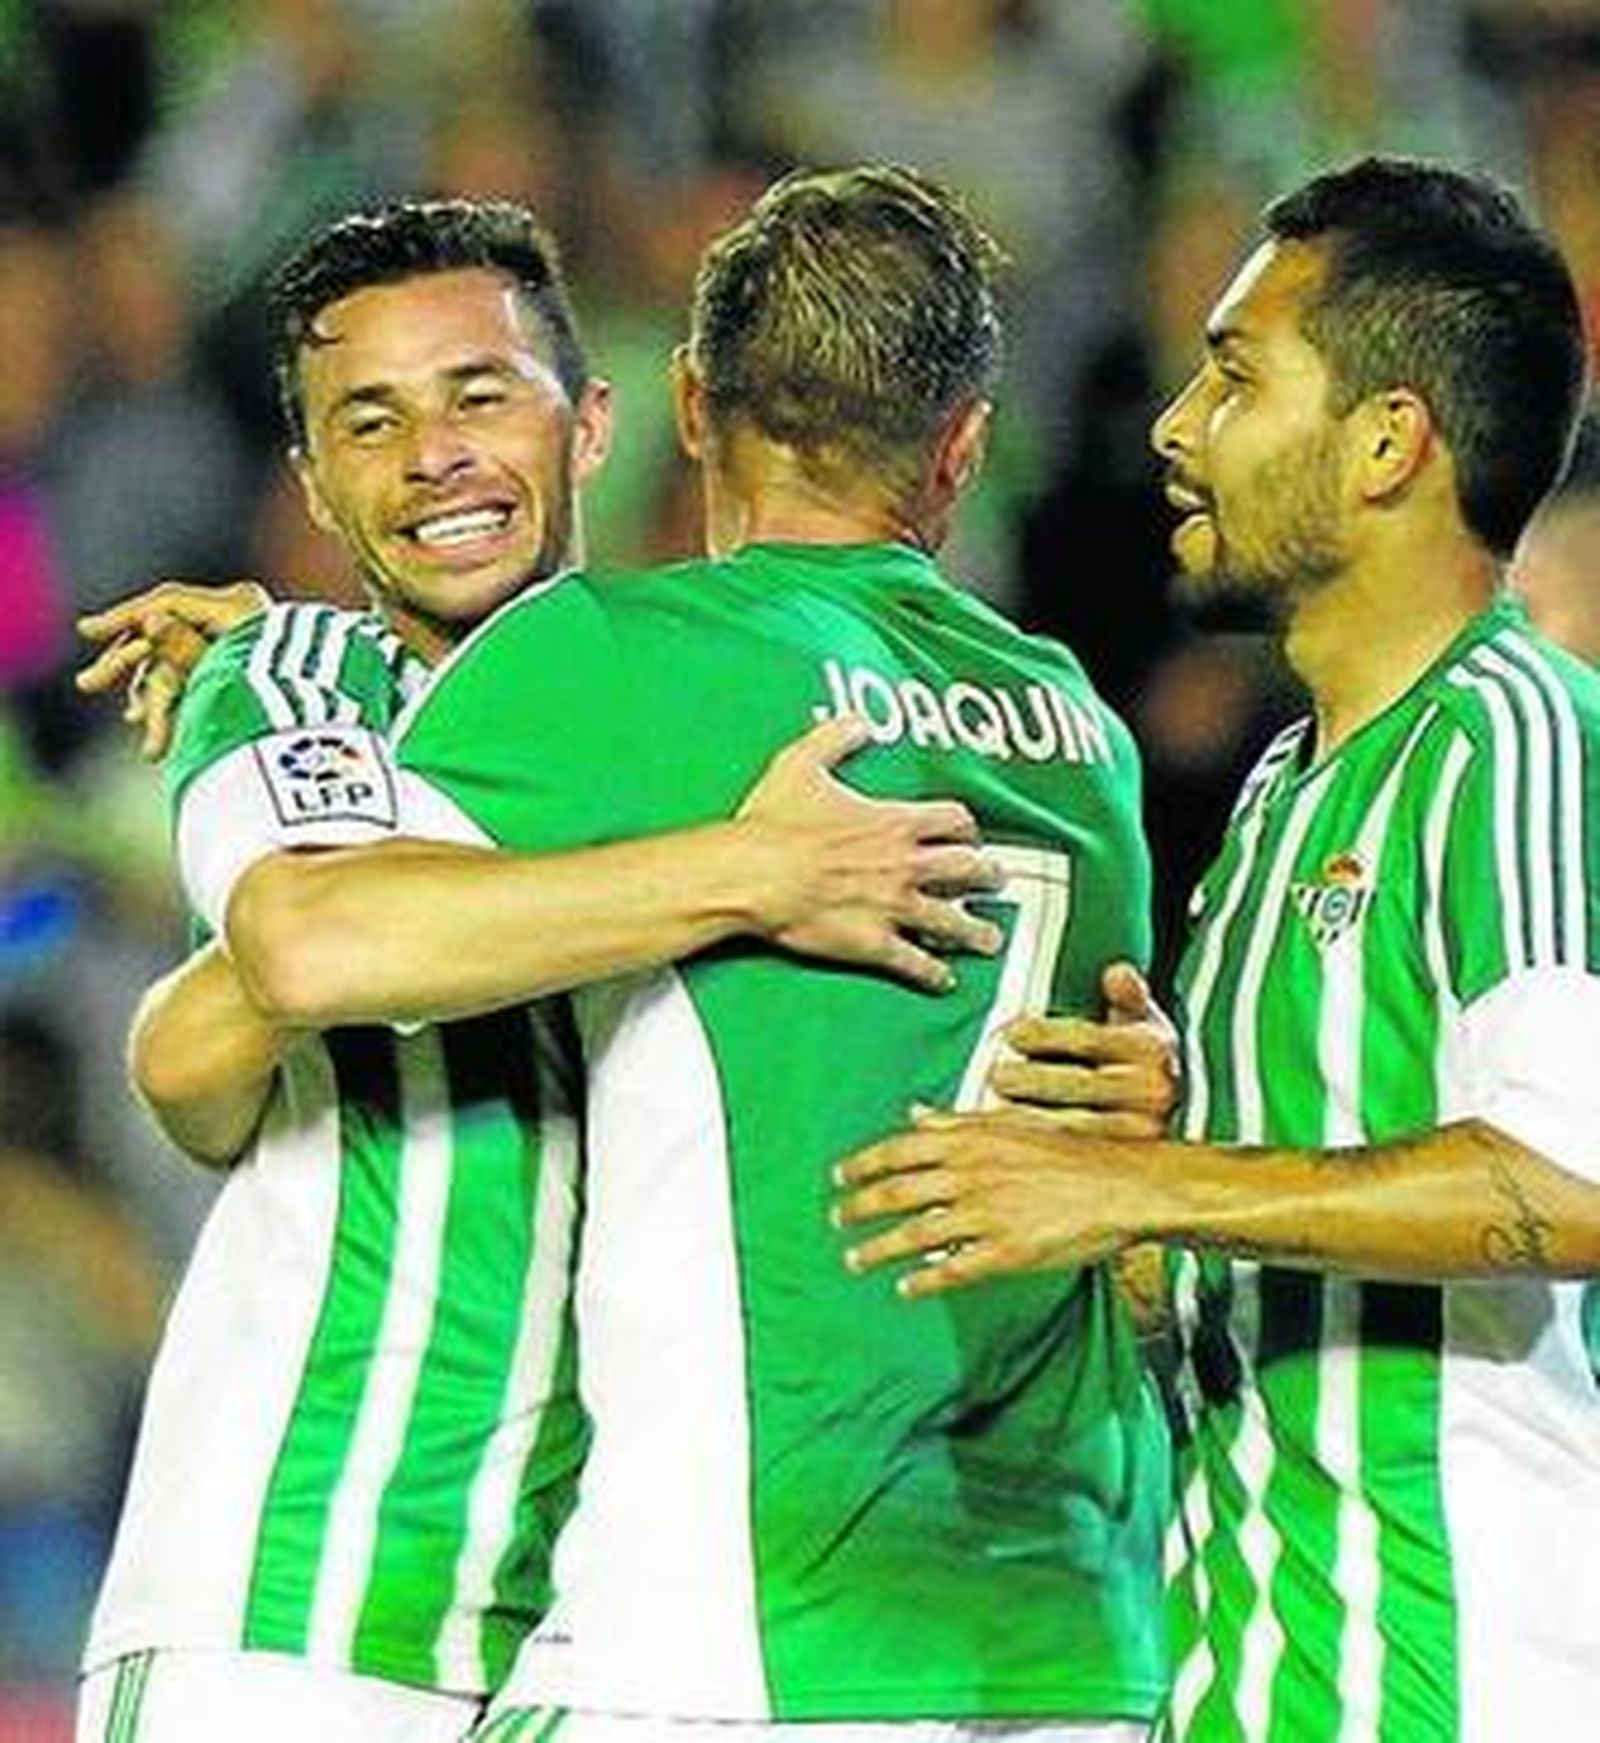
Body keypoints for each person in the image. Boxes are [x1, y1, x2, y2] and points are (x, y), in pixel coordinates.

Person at [240, 162, 1170, 1740]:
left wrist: (262, 679)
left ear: (686, 403)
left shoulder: (618, 660)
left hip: (746, 1623)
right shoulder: (1080, 726)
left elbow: (311, 943)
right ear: (962, 449)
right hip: (1066, 1616)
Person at [74, 197, 1006, 1743]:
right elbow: (302, 954)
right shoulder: (313, 679)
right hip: (297, 1609)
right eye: (368, 424)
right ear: (312, 480)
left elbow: (200, 1051)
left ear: (595, 425)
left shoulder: (717, 711)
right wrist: (742, 874)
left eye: (478, 395)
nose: (433, 456)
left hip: (586, 1629)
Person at [833, 156, 1600, 1741]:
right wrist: (1141, 1195)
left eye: (1238, 374)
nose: (1179, 427)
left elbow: (1569, 1182)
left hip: (1458, 1684)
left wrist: (1141, 1184)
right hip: (1257, 1679)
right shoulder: (1276, 792)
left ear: (1390, 440)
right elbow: (1276, 1262)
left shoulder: (1513, 737)